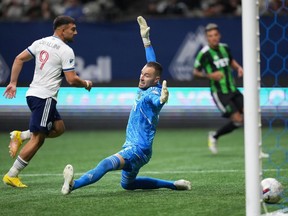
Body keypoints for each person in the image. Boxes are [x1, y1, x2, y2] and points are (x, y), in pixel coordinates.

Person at [61, 16, 191, 195]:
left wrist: (162, 100)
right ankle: (174, 185)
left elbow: (156, 102)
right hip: (140, 150)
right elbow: (152, 63)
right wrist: (146, 41)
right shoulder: (153, 84)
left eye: (146, 75)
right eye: (141, 73)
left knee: (106, 164)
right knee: (127, 185)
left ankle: (73, 185)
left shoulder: (153, 94)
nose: (141, 76)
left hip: (137, 149)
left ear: (155, 80)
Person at [3, 15, 93, 188]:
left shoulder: (40, 42)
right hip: (44, 97)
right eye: (72, 29)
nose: (76, 32)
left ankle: (21, 135)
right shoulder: (65, 50)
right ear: (62, 29)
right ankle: (12, 175)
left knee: (59, 128)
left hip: (34, 94)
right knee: (38, 139)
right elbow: (72, 80)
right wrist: (86, 83)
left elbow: (18, 58)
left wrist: (13, 82)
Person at [193, 23, 269, 158]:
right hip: (220, 93)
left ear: (219, 35)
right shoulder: (204, 54)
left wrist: (238, 68)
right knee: (238, 119)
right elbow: (195, 72)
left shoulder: (225, 48)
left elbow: (231, 61)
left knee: (251, 115)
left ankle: (257, 151)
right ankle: (215, 136)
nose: (214, 38)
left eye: (216, 35)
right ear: (207, 38)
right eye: (210, 36)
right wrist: (210, 75)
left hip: (233, 89)